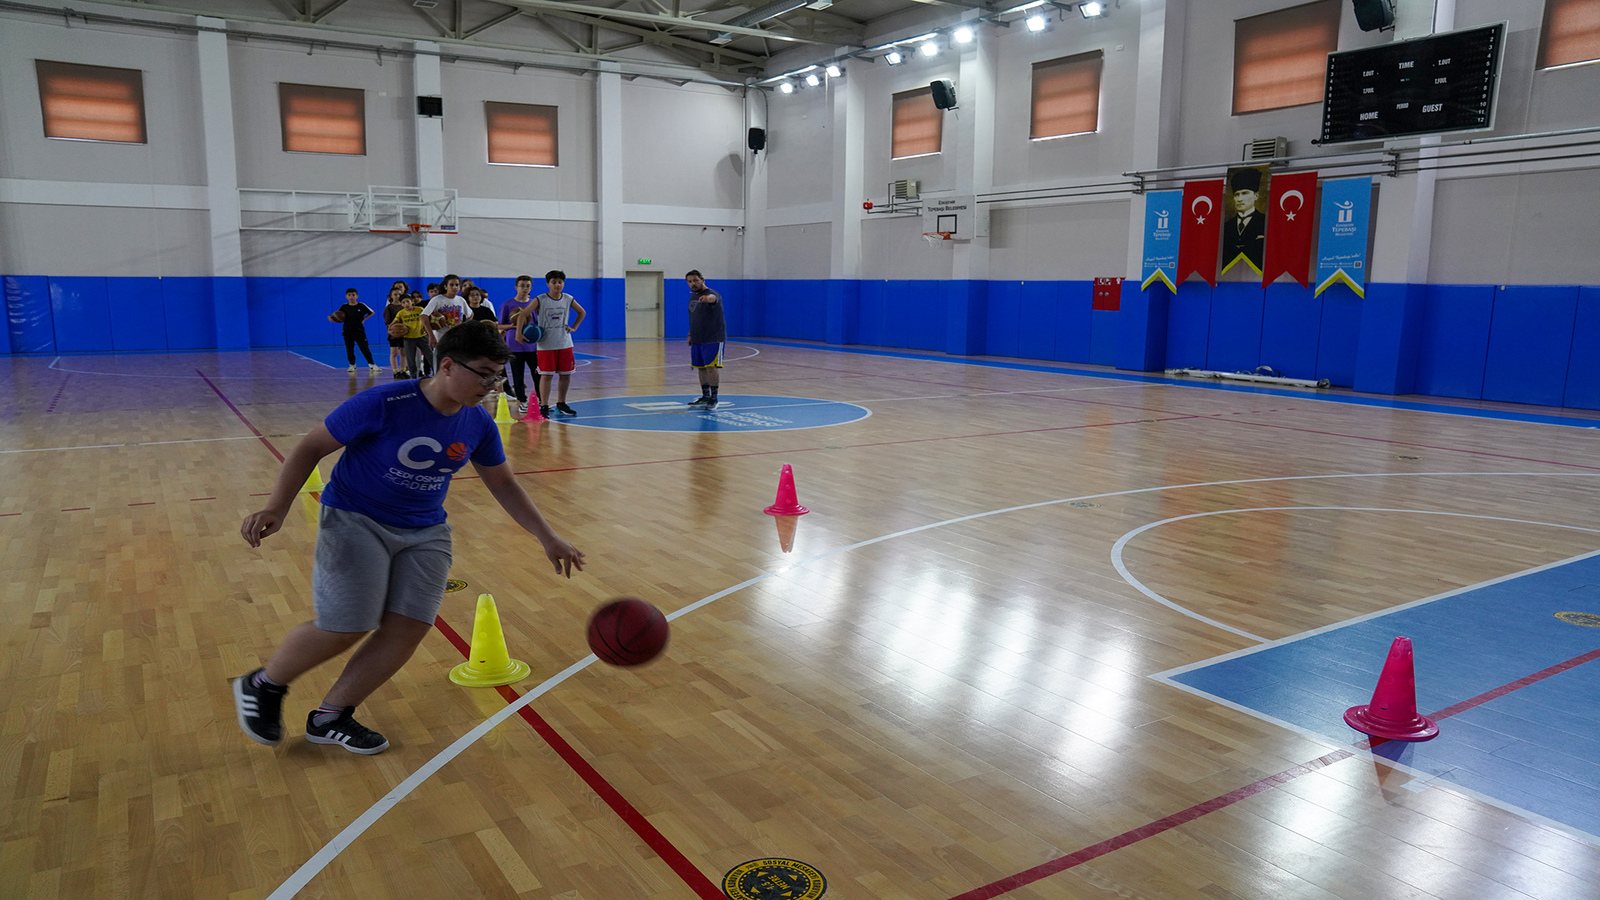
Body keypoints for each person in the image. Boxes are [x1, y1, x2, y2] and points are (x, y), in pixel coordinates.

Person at [232, 320, 584, 755]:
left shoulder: (478, 423)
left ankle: (330, 716)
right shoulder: (383, 403)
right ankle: (263, 685)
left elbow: (504, 484)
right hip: (355, 519)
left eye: (497, 376)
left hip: (426, 530)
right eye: (484, 374)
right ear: (448, 366)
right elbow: (310, 447)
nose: (492, 385)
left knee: (410, 626)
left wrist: (547, 536)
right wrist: (277, 507)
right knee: (346, 625)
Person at [515, 270, 585, 418]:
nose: (557, 285)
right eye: (554, 282)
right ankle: (544, 405)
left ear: (563, 283)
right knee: (546, 376)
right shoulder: (540, 299)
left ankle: (561, 403)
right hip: (546, 345)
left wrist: (574, 327)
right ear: (548, 284)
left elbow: (582, 312)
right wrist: (518, 333)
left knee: (565, 375)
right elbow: (523, 315)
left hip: (565, 343)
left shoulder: (568, 298)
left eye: (560, 282)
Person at [498, 275, 541, 415]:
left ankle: (542, 401)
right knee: (518, 375)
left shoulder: (534, 304)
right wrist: (512, 327)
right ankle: (522, 401)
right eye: (522, 285)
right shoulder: (507, 305)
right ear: (516, 287)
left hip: (532, 345)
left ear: (531, 288)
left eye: (527, 286)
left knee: (538, 374)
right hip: (514, 345)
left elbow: (537, 323)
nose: (525, 288)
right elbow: (499, 325)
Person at [684, 270, 725, 409]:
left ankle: (714, 398)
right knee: (701, 368)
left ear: (702, 280)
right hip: (697, 339)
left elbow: (713, 298)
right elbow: (694, 318)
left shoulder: (712, 294)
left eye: (695, 280)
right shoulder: (692, 297)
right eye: (690, 281)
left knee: (711, 367)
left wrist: (707, 299)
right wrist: (690, 334)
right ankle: (705, 396)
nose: (693, 284)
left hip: (713, 338)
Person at [1222, 168, 1267, 274]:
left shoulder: (1264, 222)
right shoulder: (1227, 226)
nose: (1240, 199)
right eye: (1236, 194)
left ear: (1256, 196)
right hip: (1230, 273)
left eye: (1245, 193)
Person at [422, 274, 470, 372]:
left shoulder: (461, 300)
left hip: (457, 338)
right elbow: (423, 315)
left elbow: (470, 314)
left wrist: (463, 328)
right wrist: (431, 335)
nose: (454, 287)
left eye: (457, 285)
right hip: (441, 338)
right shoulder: (437, 300)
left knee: (456, 365)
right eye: (451, 285)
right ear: (445, 286)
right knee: (440, 366)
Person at [332, 287, 380, 374]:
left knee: (364, 348)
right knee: (349, 349)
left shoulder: (361, 305)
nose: (351, 297)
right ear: (346, 296)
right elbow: (337, 316)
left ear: (357, 296)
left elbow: (372, 312)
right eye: (349, 295)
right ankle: (352, 365)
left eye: (353, 295)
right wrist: (332, 317)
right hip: (347, 331)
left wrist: (364, 319)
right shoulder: (344, 307)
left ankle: (372, 364)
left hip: (359, 331)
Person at [395, 292, 428, 378]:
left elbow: (428, 318)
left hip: (422, 336)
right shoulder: (401, 313)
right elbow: (394, 323)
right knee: (411, 360)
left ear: (412, 302)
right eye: (403, 302)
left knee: (430, 356)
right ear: (401, 304)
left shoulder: (420, 309)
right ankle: (413, 378)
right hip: (409, 338)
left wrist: (426, 327)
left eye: (407, 301)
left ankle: (435, 374)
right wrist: (392, 328)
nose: (406, 304)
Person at [382, 285, 407, 377]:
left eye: (399, 294)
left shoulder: (404, 307)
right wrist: (394, 328)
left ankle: (403, 370)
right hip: (393, 333)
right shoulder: (389, 308)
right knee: (394, 352)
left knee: (403, 353)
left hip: (404, 333)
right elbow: (387, 322)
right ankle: (396, 372)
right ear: (391, 296)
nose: (397, 296)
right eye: (395, 294)